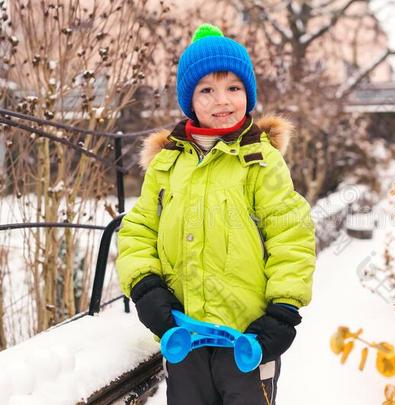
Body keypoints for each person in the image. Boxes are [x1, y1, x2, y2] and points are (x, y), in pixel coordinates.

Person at [116, 23, 316, 405]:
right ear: (189, 99)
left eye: (233, 88)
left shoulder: (261, 161)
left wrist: (284, 308)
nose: (221, 100)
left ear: (248, 93)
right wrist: (144, 286)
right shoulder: (168, 163)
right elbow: (139, 228)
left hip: (247, 339)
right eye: (207, 89)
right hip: (183, 333)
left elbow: (291, 233)